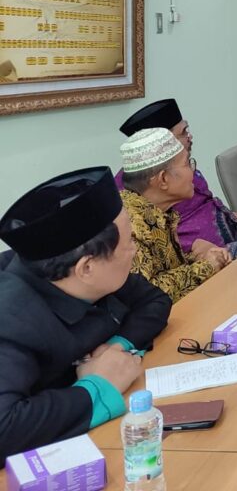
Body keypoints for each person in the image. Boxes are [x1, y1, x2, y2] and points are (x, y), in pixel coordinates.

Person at [0, 167, 172, 458]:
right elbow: (5, 428)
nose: (134, 250)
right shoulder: (12, 322)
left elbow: (155, 301)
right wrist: (98, 386)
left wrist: (115, 349)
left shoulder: (84, 271)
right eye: (129, 241)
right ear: (87, 268)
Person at [116, 98, 237, 259]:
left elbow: (204, 204)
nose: (190, 136)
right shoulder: (135, 195)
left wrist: (228, 216)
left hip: (227, 249)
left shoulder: (179, 169)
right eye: (183, 132)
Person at [120, 128, 230, 302]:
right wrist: (205, 267)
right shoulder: (128, 226)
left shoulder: (156, 211)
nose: (193, 171)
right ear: (163, 179)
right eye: (187, 164)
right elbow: (146, 295)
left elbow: (164, 269)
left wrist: (196, 257)